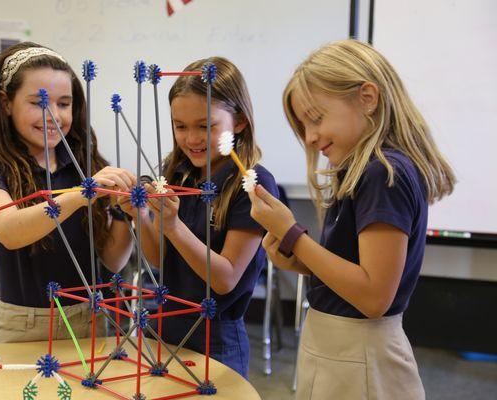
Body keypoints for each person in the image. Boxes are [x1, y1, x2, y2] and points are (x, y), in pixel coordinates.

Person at [249, 39, 456, 399]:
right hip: (337, 349)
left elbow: (374, 296)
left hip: (360, 357)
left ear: (367, 97)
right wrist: (298, 260)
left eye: (316, 119)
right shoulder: (361, 173)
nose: (311, 138)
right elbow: (351, 274)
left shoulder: (382, 174)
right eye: (303, 126)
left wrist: (293, 234)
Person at [118, 57, 278, 379]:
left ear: (240, 122)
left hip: (216, 340)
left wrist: (174, 227)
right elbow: (158, 258)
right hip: (164, 328)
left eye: (206, 126)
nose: (192, 138)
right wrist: (140, 216)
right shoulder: (175, 172)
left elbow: (225, 279)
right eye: (180, 126)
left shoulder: (252, 182)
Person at [0, 42, 136, 343]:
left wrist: (126, 210)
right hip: (22, 326)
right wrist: (79, 195)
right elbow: (9, 230)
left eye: (64, 103)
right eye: (38, 103)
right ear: (5, 103)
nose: (53, 115)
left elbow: (112, 260)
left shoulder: (88, 166)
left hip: (89, 319)